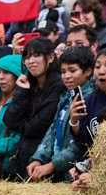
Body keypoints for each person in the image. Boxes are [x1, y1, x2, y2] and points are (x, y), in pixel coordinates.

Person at [1, 38, 66, 181]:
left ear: (50, 57)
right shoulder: (28, 84)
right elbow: (9, 121)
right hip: (23, 156)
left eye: (36, 55)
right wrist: (22, 91)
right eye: (27, 57)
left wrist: (21, 125)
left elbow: (38, 126)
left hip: (46, 160)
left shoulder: (59, 85)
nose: (31, 61)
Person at [30, 45, 96, 182]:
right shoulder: (67, 96)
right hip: (59, 173)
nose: (66, 76)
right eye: (63, 71)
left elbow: (80, 145)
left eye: (72, 71)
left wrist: (52, 165)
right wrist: (39, 158)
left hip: (75, 176)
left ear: (88, 71)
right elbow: (53, 129)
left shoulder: (89, 100)